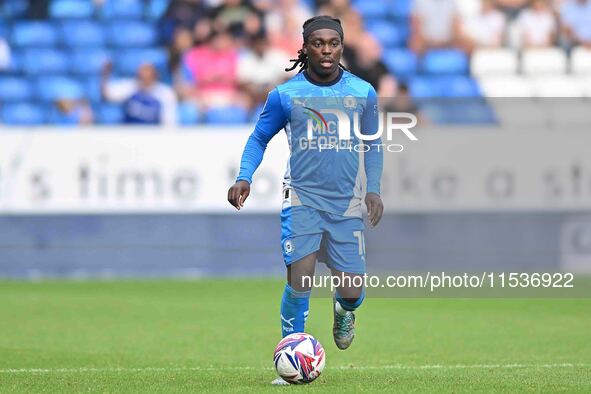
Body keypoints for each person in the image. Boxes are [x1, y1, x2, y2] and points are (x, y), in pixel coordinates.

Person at [226, 15, 384, 385]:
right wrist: (244, 176)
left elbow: (373, 143)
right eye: (318, 43)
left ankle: (344, 308)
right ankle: (290, 356)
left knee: (353, 290)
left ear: (342, 46)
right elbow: (258, 137)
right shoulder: (285, 95)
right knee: (301, 280)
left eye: (333, 43)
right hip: (302, 199)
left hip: (346, 203)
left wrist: (373, 188)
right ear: (305, 48)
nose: (326, 50)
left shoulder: (363, 93)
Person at [101, 62, 178, 126]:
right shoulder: (130, 87)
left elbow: (169, 122)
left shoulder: (165, 93)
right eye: (141, 77)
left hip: (153, 134)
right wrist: (105, 75)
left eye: (147, 77)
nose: (144, 80)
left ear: (155, 76)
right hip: (129, 132)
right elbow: (107, 95)